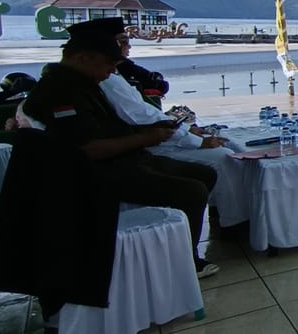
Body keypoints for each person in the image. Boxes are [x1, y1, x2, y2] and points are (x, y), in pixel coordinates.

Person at [21, 28, 220, 279]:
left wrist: (151, 131)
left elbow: (108, 126)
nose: (112, 71)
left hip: (122, 159)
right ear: (83, 58)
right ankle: (183, 263)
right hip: (92, 173)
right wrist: (146, 138)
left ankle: (176, 244)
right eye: (109, 64)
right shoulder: (60, 91)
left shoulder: (85, 82)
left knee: (204, 174)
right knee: (192, 190)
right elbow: (88, 148)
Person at [72, 18, 226, 151]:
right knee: (223, 156)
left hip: (152, 136)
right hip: (147, 145)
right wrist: (195, 140)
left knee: (227, 146)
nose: (129, 47)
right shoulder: (107, 79)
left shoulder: (116, 73)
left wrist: (187, 129)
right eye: (124, 42)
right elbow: (138, 116)